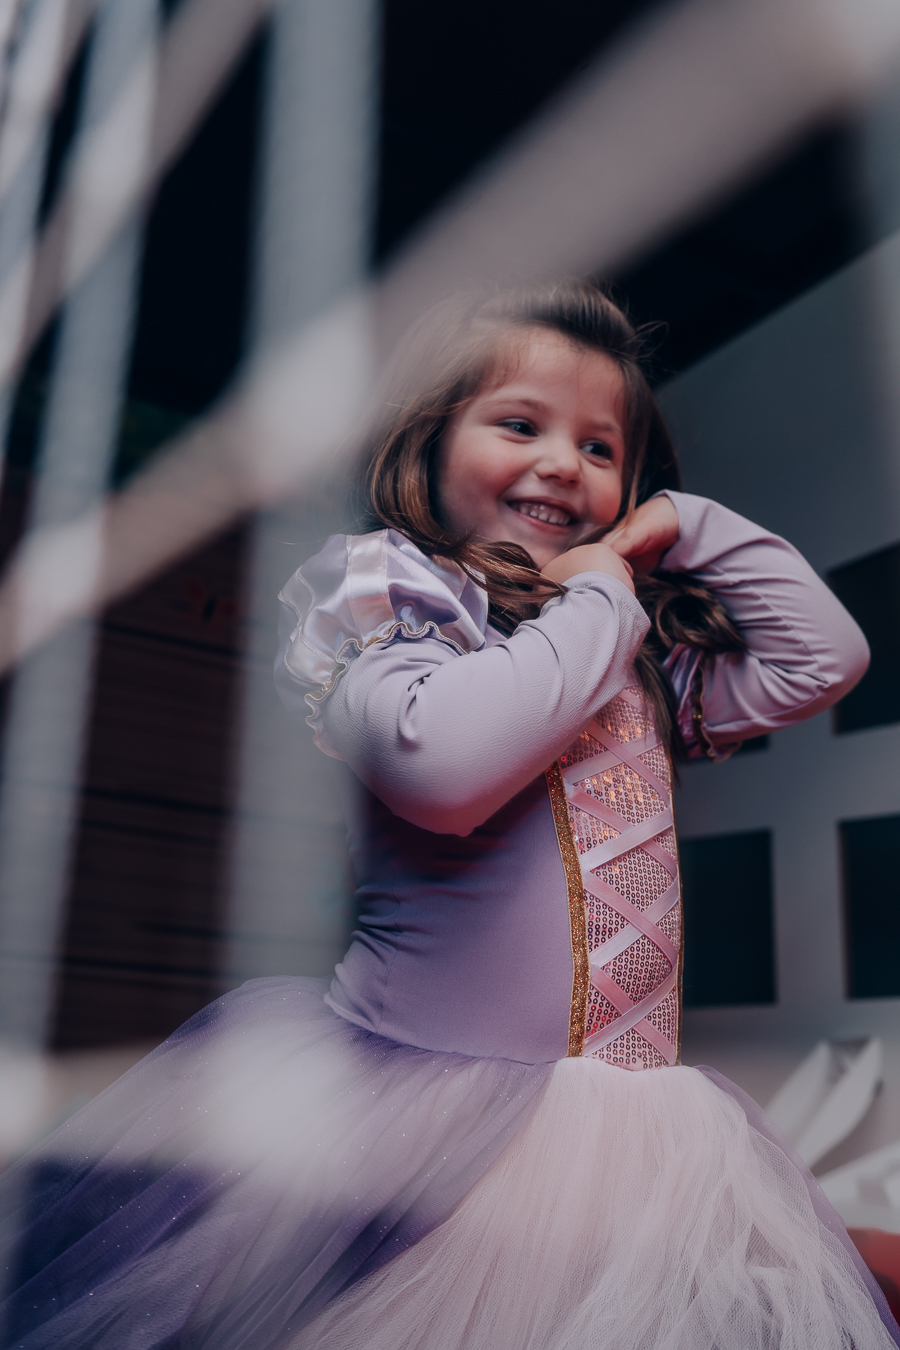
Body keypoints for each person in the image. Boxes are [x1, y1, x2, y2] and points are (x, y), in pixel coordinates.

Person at [0, 280, 895, 1350]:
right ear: (427, 444)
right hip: (425, 1104)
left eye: (600, 448)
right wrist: (602, 594)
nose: (562, 463)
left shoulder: (628, 653)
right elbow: (443, 769)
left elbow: (824, 658)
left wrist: (685, 524)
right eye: (519, 425)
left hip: (622, 1127)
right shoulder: (394, 595)